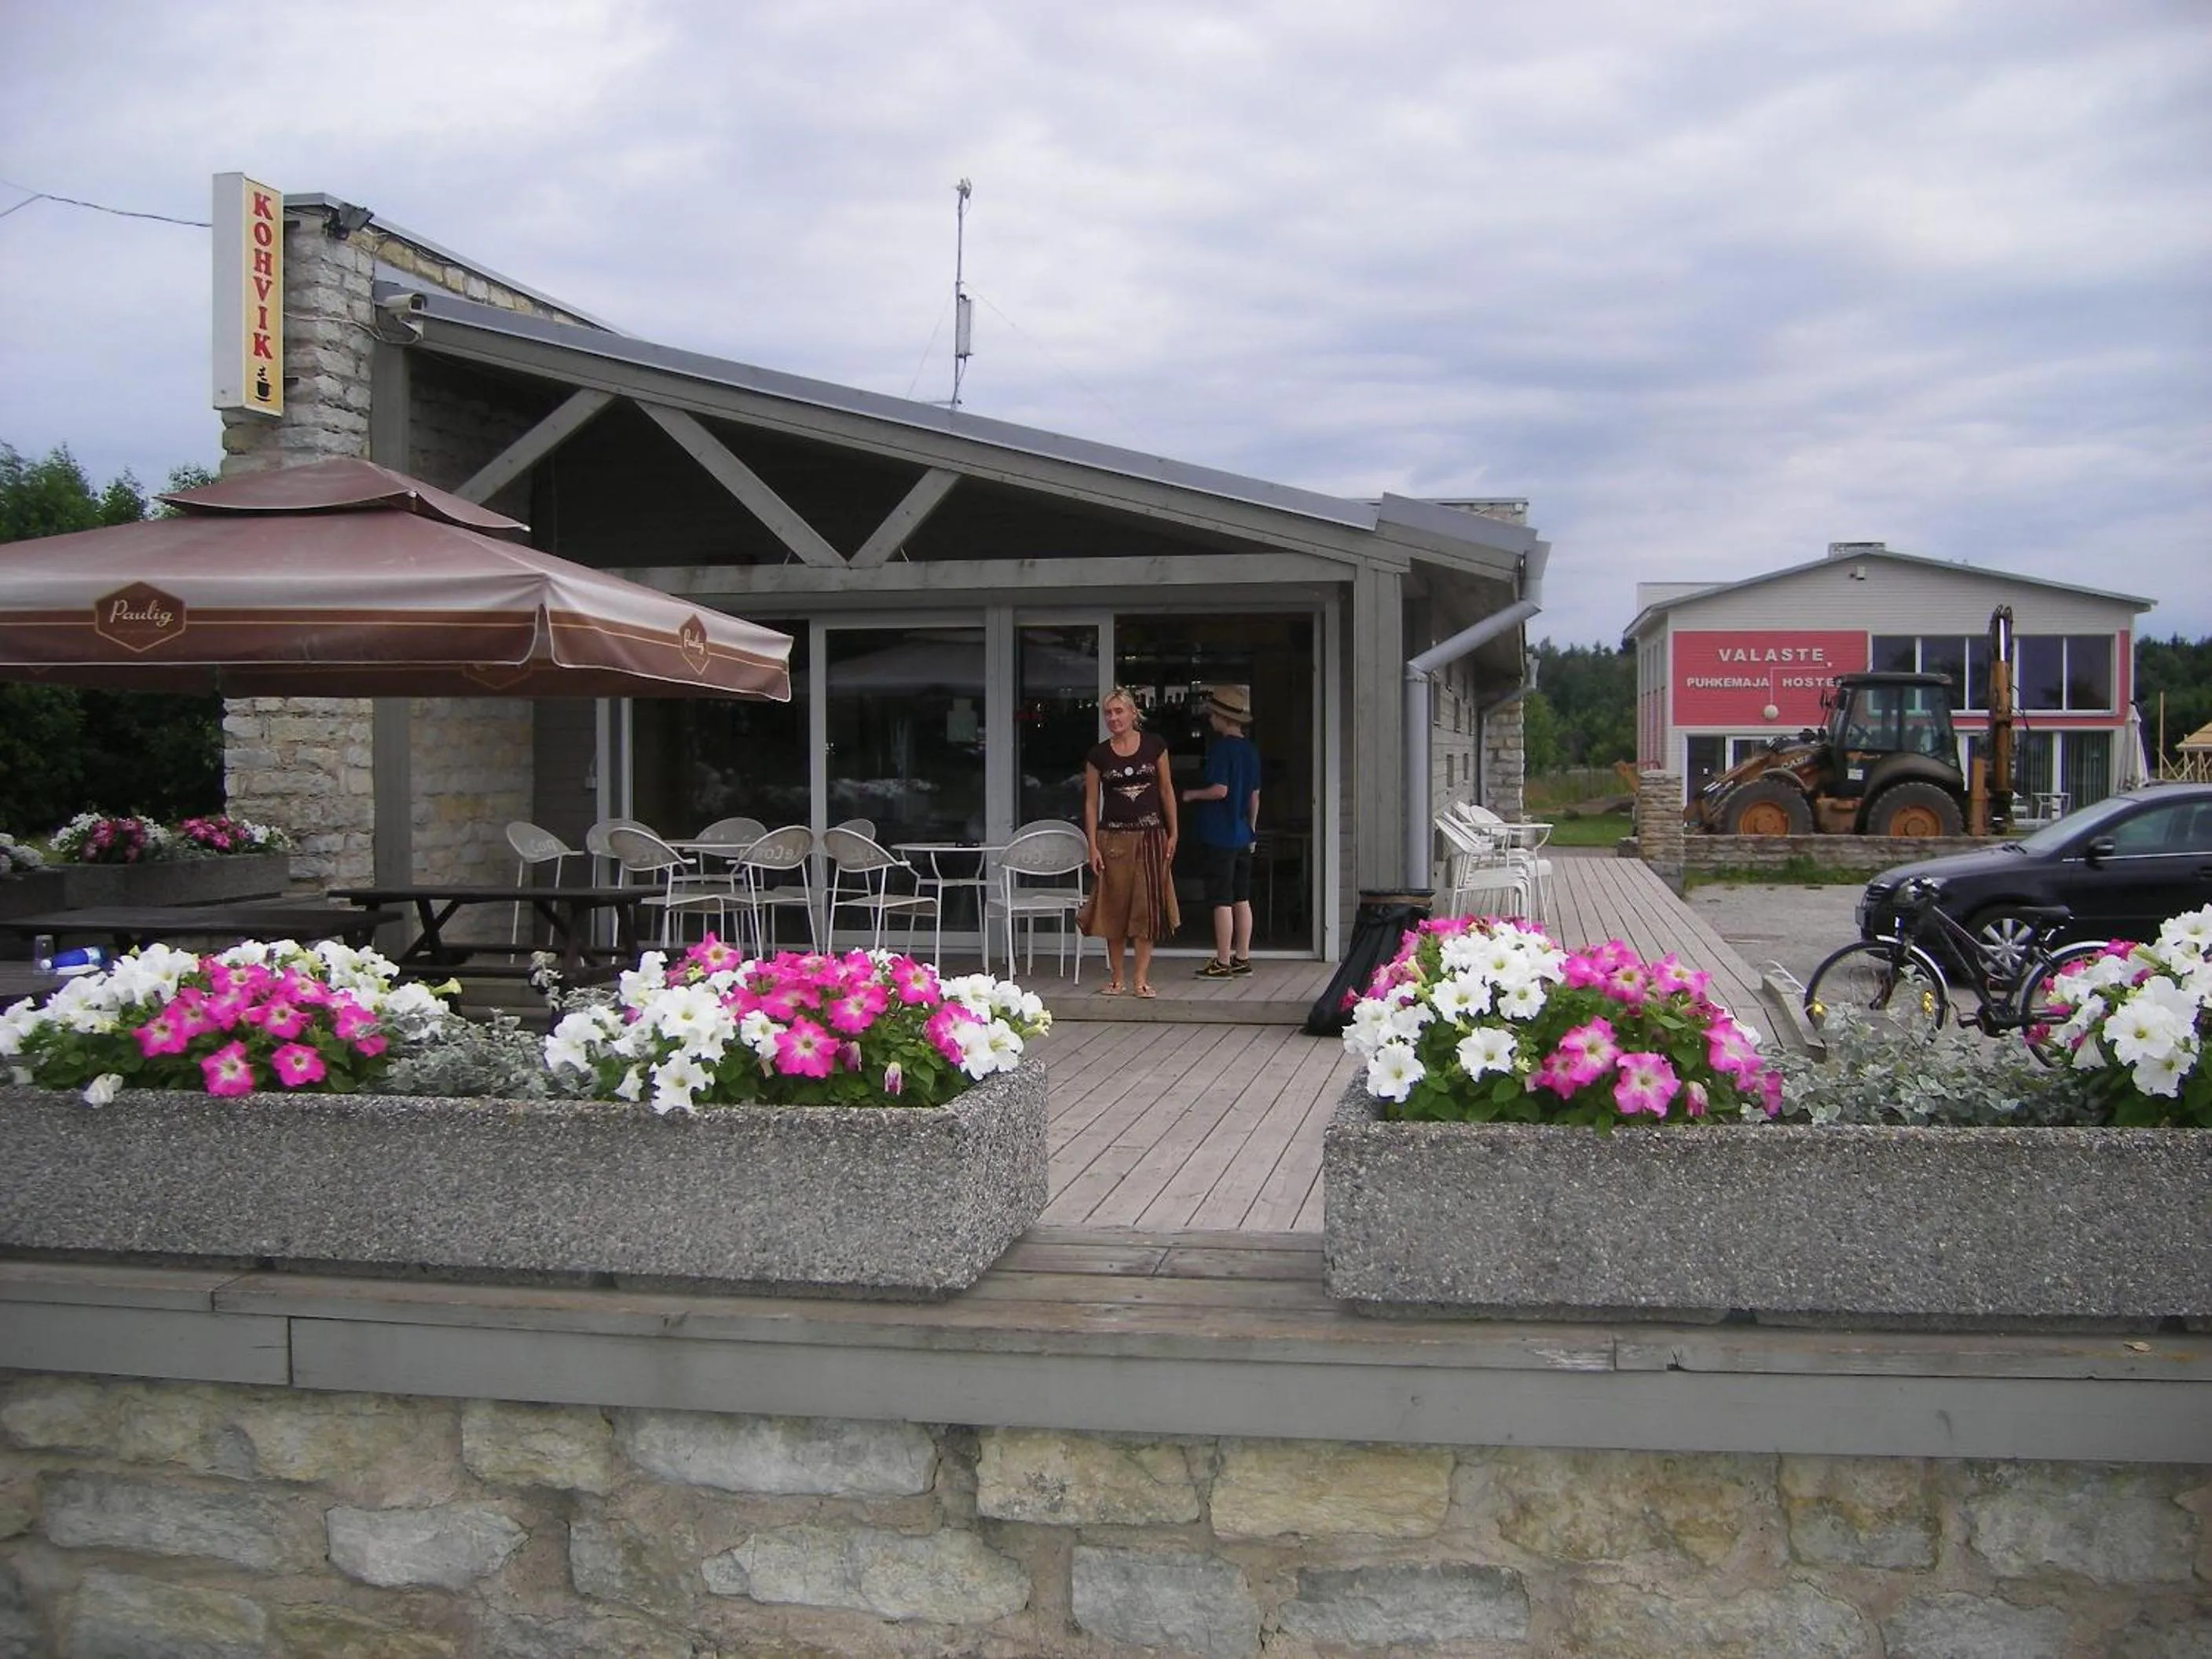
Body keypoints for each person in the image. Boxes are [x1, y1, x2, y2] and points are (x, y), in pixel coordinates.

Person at [1081, 687, 1178, 998]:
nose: (1113, 718)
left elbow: (1166, 790)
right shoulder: (1098, 754)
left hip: (1150, 836)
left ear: (1133, 713)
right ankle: (1116, 979)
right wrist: (1092, 844)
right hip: (1113, 838)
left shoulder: (1155, 746)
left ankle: (1140, 979)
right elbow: (1091, 803)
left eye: (1119, 711)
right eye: (1108, 713)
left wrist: (1173, 831)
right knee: (1114, 907)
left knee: (1146, 909)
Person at [1181, 686, 1262, 978]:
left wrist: (1191, 795)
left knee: (1220, 898)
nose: (1210, 719)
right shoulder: (1250, 750)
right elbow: (1254, 795)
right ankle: (1243, 956)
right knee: (1242, 896)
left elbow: (1220, 790)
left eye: (1212, 715)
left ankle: (1222, 960)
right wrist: (1251, 829)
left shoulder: (1221, 750)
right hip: (1241, 833)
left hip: (1220, 834)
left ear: (1221, 718)